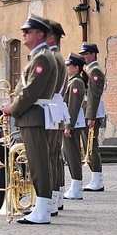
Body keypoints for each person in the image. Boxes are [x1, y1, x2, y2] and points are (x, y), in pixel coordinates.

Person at [1, 15, 57, 225]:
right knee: (36, 162)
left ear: (40, 34)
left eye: (28, 31)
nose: (23, 34)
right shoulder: (38, 56)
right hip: (31, 115)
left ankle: (42, 209)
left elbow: (31, 91)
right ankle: (40, 206)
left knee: (39, 162)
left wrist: (11, 108)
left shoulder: (42, 58)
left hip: (34, 115)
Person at [47, 19, 68, 215]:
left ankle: (50, 200)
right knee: (55, 157)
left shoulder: (51, 57)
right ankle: (56, 197)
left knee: (49, 157)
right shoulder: (58, 57)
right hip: (56, 111)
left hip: (49, 111)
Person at [79, 41, 106, 192]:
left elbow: (94, 96)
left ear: (93, 54)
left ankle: (97, 180)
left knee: (90, 146)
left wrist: (90, 116)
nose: (83, 57)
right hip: (88, 111)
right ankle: (95, 178)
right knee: (87, 145)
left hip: (91, 112)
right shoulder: (89, 70)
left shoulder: (95, 72)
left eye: (86, 54)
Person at [63, 53, 87, 201]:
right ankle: (75, 184)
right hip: (71, 123)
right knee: (69, 154)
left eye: (68, 65)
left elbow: (73, 106)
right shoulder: (72, 82)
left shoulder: (76, 83)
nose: (67, 68)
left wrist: (68, 126)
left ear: (76, 67)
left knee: (73, 154)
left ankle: (77, 186)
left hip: (73, 123)